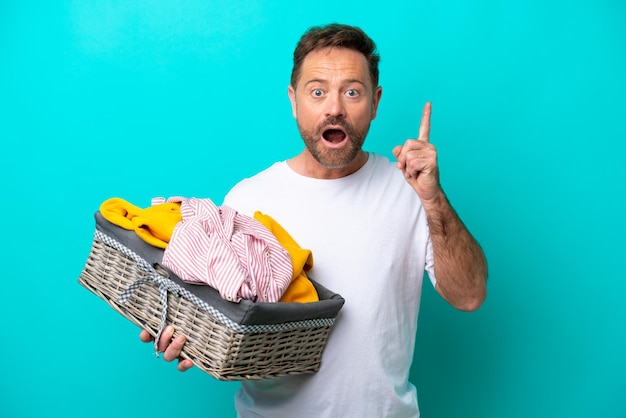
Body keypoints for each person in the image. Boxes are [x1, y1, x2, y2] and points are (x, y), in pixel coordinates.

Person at [141, 23, 487, 417]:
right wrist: (187, 338)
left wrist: (433, 198)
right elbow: (218, 320)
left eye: (352, 92)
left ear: (375, 103)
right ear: (294, 100)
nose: (334, 107)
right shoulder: (247, 200)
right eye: (317, 91)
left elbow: (470, 295)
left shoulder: (410, 191)